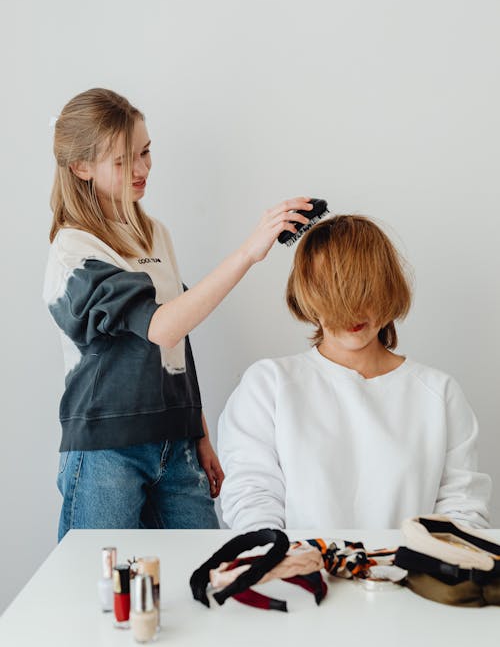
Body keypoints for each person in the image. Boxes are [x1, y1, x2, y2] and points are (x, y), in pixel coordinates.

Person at [43, 87, 312, 540]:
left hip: (176, 442)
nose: (144, 169)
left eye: (147, 152)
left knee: (201, 578)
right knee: (100, 595)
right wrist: (250, 251)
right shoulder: (74, 251)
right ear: (81, 167)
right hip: (106, 452)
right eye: (126, 160)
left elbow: (178, 340)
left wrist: (199, 431)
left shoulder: (155, 234)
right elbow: (162, 327)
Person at [218, 214, 491, 531]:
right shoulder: (269, 385)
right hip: (300, 574)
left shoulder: (439, 393)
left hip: (407, 576)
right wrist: (287, 564)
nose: (351, 310)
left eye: (364, 289)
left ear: (388, 288)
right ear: (306, 295)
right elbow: (252, 500)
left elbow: (463, 511)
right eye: (331, 290)